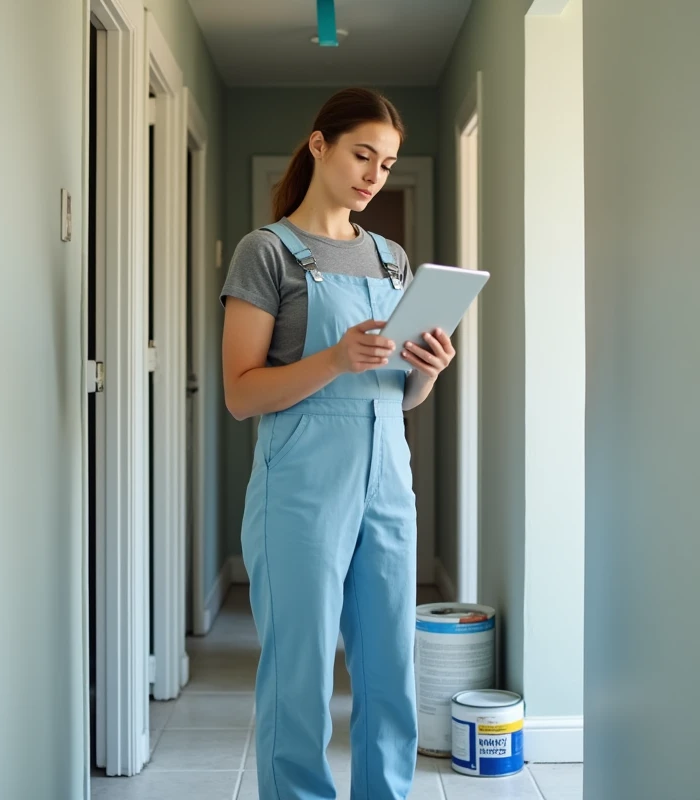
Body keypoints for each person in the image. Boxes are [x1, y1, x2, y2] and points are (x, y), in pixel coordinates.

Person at [219, 87, 455, 799]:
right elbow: (240, 394)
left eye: (386, 164)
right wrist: (331, 359)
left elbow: (398, 395)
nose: (373, 175)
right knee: (300, 678)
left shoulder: (392, 259)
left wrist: (429, 374)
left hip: (387, 481)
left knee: (389, 671)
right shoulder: (267, 253)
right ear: (319, 145)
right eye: (362, 154)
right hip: (300, 491)